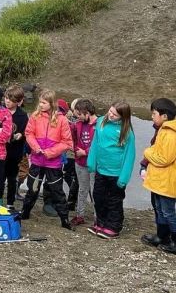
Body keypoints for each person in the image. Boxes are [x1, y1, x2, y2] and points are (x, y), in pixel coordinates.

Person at [21, 89, 74, 230]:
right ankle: (25, 212)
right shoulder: (35, 116)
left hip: (53, 162)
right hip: (37, 160)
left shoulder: (62, 120)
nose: (41, 105)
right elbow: (29, 133)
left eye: (44, 103)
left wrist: (50, 152)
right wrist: (36, 147)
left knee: (57, 191)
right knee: (32, 189)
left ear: (51, 103)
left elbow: (67, 142)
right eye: (40, 102)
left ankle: (65, 219)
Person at [87, 101, 135, 239]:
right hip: (101, 170)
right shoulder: (101, 122)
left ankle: (113, 226)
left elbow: (129, 155)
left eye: (115, 114)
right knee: (99, 197)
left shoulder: (127, 132)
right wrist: (91, 161)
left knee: (114, 200)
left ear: (122, 117)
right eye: (110, 111)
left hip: (116, 173)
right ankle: (101, 222)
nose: (111, 115)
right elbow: (95, 142)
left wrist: (124, 178)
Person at [141, 98, 176, 253]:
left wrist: (147, 152)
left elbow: (163, 158)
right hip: (160, 181)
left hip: (167, 182)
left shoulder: (170, 134)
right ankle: (162, 236)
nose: (152, 116)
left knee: (168, 212)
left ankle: (174, 241)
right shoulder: (163, 129)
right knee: (159, 209)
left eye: (154, 113)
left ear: (165, 116)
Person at [70, 98, 97, 226]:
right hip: (80, 162)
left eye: (80, 115)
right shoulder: (78, 124)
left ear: (87, 112)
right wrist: (76, 150)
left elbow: (99, 145)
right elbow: (73, 140)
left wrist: (85, 152)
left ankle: (98, 218)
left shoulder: (99, 125)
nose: (78, 117)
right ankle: (80, 215)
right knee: (82, 189)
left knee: (94, 191)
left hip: (93, 164)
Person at [3, 84, 28, 209]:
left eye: (11, 99)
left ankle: (10, 202)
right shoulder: (0, 110)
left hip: (14, 152)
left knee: (12, 178)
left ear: (18, 102)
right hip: (0, 150)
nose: (7, 101)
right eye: (6, 98)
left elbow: (26, 132)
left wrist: (20, 135)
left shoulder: (22, 116)